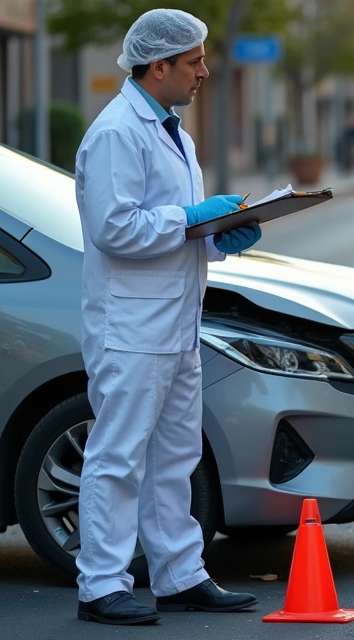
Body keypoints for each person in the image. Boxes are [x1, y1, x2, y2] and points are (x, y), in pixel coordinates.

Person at [72, 8, 259, 625]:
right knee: (119, 455)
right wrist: (194, 220)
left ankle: (179, 575)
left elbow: (171, 229)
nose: (205, 71)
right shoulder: (116, 133)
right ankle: (100, 585)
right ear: (159, 66)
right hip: (130, 328)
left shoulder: (172, 129)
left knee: (174, 455)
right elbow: (114, 229)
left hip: (175, 322)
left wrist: (216, 234)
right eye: (195, 61)